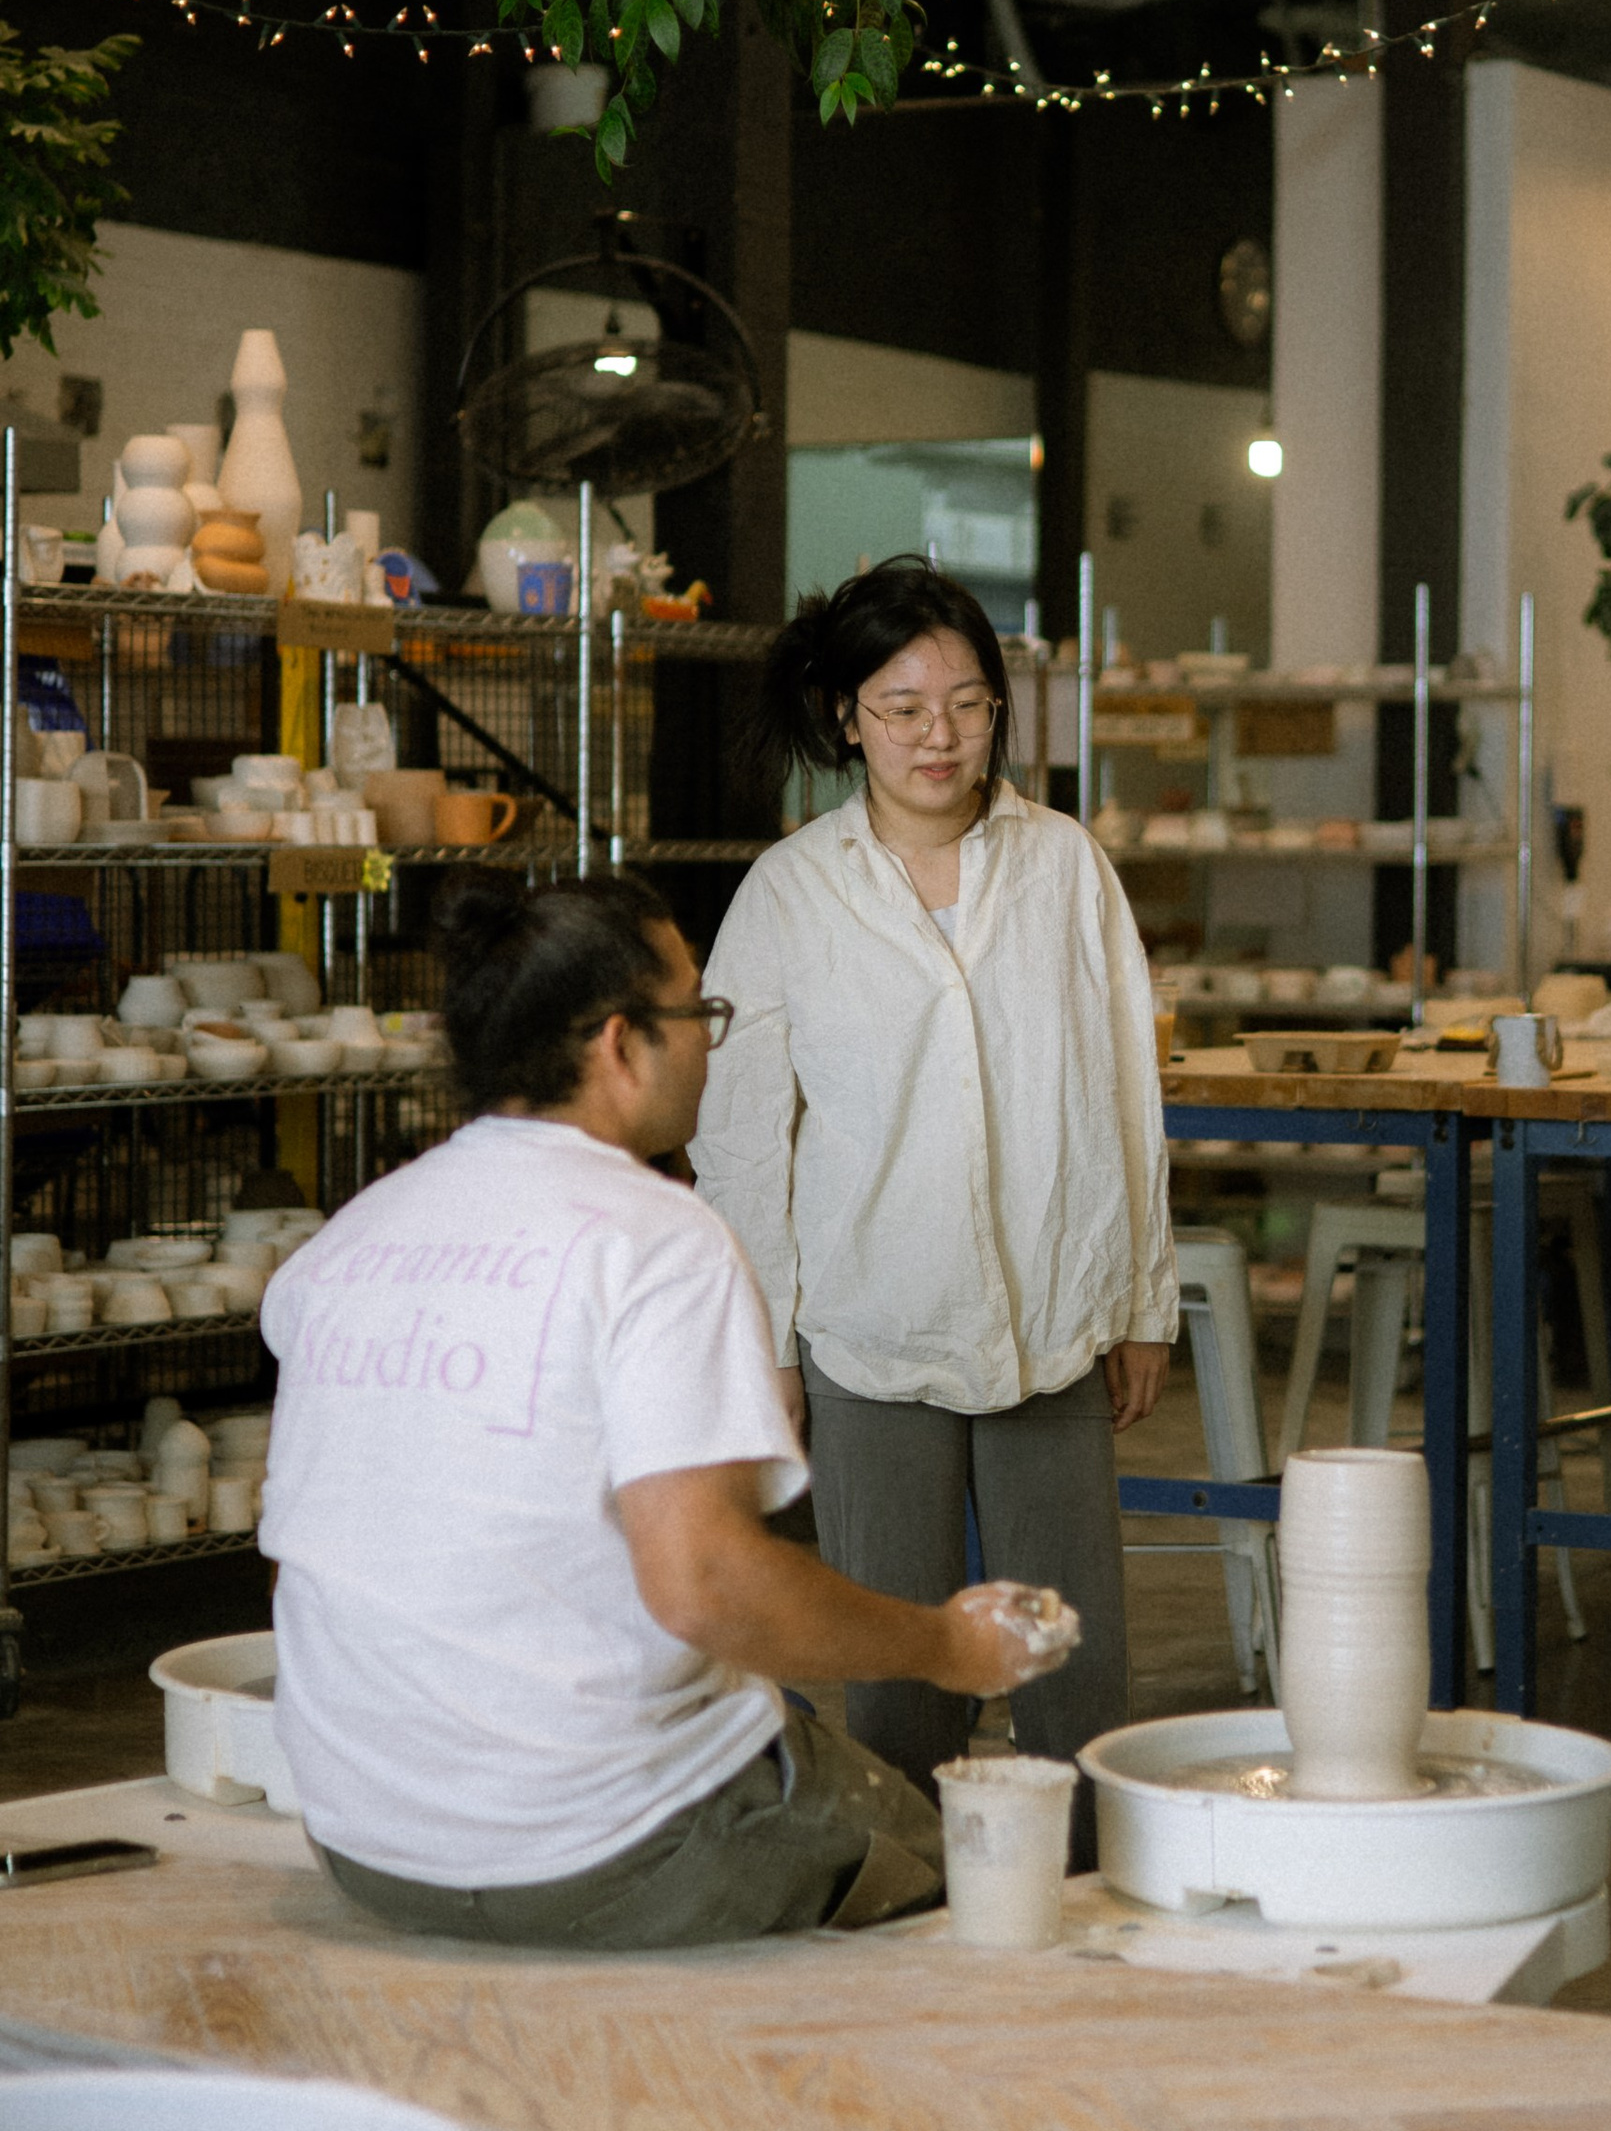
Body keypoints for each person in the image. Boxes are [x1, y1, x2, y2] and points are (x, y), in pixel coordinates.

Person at [262, 870, 1077, 1950]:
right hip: (596, 1848)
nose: (710, 1040)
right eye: (698, 1010)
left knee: (758, 1708)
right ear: (619, 1043)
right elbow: (707, 1586)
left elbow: (304, 1561)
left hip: (363, 1834)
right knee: (940, 1868)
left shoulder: (351, 1239)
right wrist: (944, 1645)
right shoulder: (656, 1238)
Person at [690, 559, 1175, 1831]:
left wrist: (1142, 1298)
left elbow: (1130, 1087)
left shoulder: (1065, 866)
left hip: (1053, 1310)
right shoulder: (791, 892)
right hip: (871, 1330)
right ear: (847, 714)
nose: (938, 736)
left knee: (1074, 1666)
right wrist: (771, 1341)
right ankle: (914, 1913)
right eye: (902, 707)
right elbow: (742, 1139)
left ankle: (1081, 1911)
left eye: (965, 703)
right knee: (899, 1669)